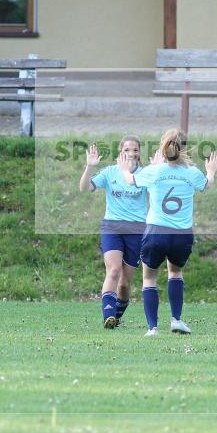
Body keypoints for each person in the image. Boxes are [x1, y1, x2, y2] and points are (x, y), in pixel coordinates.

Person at [117, 129, 217, 336]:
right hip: (182, 234)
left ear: (163, 147)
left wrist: (124, 169)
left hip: (156, 231)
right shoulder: (192, 172)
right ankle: (176, 320)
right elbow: (207, 184)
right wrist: (211, 170)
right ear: (184, 149)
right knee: (175, 272)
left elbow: (131, 180)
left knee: (149, 278)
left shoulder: (154, 171)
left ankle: (152, 328)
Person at [79, 137, 148, 329]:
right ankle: (108, 315)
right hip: (112, 227)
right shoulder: (110, 172)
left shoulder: (144, 174)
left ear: (139, 152)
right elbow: (84, 188)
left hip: (136, 231)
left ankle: (115, 317)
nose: (131, 153)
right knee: (114, 270)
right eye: (127, 150)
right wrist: (89, 166)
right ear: (120, 151)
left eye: (135, 150)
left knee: (124, 283)